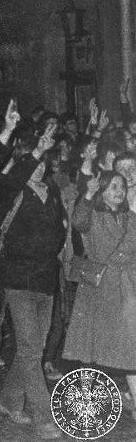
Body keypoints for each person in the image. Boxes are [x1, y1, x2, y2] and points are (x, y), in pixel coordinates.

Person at [0, 127, 65, 441]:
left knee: (29, 349)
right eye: (32, 162)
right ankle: (44, 417)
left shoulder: (53, 192)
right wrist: (35, 150)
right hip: (19, 279)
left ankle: (9, 401)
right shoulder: (11, 191)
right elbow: (12, 179)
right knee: (32, 351)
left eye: (41, 162)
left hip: (46, 280)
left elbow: (60, 232)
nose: (38, 167)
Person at [65, 171, 136, 417]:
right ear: (102, 190)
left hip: (125, 286)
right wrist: (88, 194)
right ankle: (85, 402)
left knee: (126, 343)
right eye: (113, 186)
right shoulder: (93, 215)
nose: (119, 191)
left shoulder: (131, 218)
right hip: (99, 287)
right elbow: (78, 221)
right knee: (90, 348)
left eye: (122, 187)